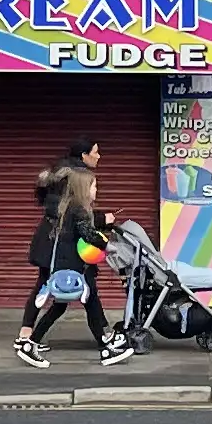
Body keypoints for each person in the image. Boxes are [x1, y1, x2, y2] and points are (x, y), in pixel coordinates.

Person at [19, 137, 131, 371]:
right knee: (88, 299)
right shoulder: (78, 207)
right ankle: (105, 346)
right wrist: (107, 243)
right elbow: (89, 233)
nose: (97, 190)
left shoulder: (65, 201)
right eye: (94, 187)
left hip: (62, 258)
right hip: (70, 262)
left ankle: (31, 341)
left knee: (60, 302)